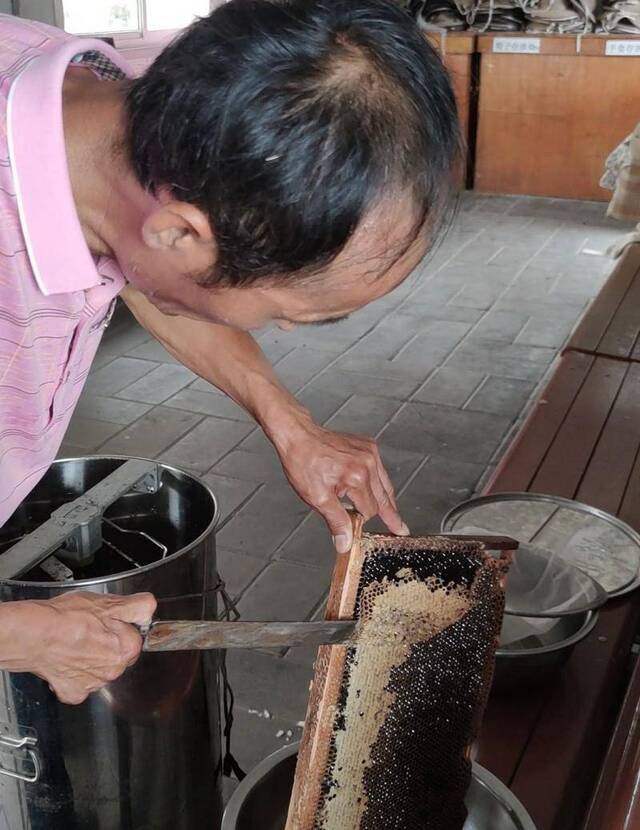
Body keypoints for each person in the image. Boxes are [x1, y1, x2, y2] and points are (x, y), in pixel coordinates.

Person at [0, 0, 460, 704]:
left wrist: (289, 422)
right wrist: (29, 637)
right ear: (181, 234)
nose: (287, 331)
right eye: (290, 313)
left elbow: (152, 273)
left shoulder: (89, 112)